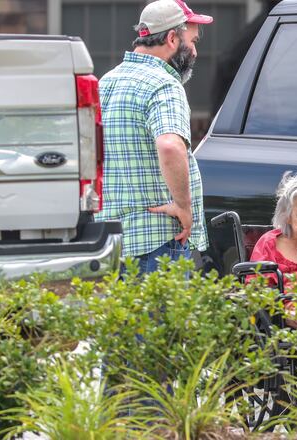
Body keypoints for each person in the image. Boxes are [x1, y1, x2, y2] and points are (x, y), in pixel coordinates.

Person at [97, 0, 213, 274]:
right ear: (172, 38)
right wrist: (183, 206)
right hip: (157, 241)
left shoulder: (105, 82)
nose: (195, 51)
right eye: (192, 41)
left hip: (109, 242)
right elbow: (170, 146)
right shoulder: (164, 84)